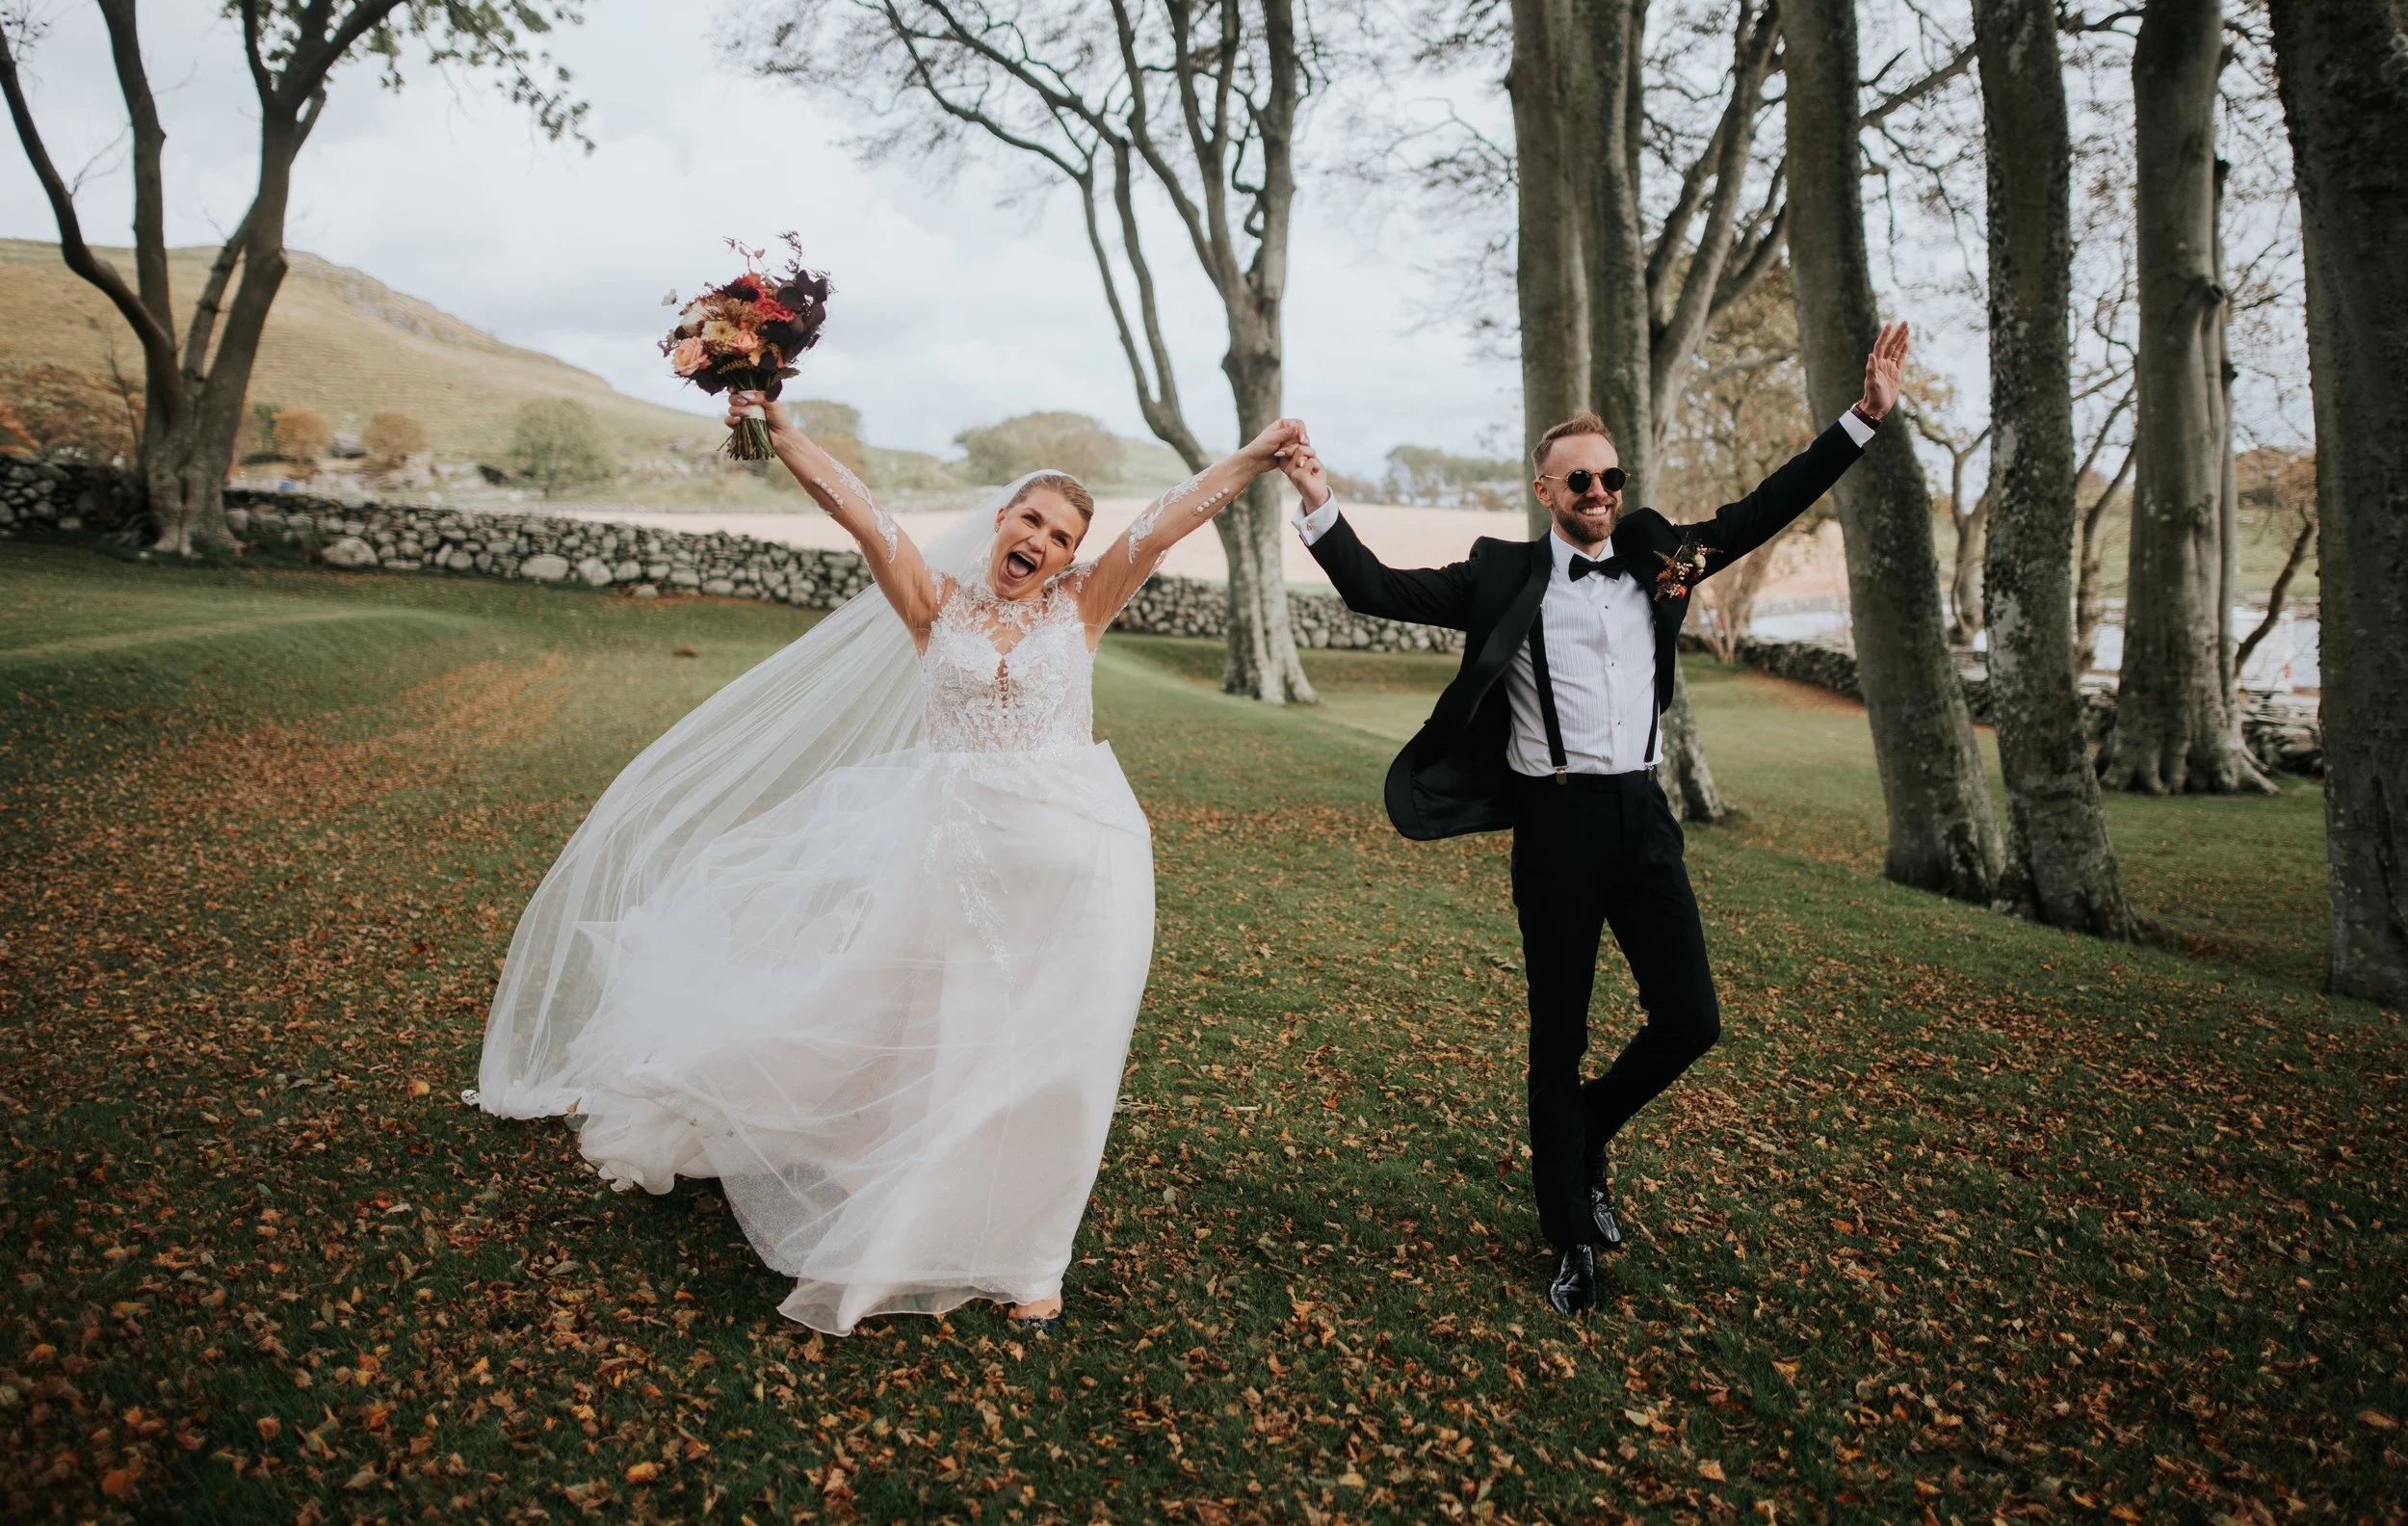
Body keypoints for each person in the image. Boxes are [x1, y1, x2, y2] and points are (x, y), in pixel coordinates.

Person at [469, 390, 1304, 1335]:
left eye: (1061, 533)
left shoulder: (1083, 607)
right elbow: (858, 509)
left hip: (1081, 875)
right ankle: (884, 1195)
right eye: (1030, 518)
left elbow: (1165, 523)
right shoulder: (931, 604)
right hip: (957, 867)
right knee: (945, 1046)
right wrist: (782, 435)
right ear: (1000, 522)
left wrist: (1252, 457)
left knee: (1061, 1065)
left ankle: (1034, 1259)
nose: (1040, 538)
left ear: (1072, 556)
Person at [1275, 323, 1911, 1316]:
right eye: (1579, 482)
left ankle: (1583, 1129)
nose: (1600, 494)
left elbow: (1758, 512)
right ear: (1545, 494)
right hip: (1558, 825)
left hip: (1643, 818)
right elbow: (1373, 590)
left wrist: (1861, 422)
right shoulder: (1499, 573)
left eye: (1610, 477)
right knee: (1556, 1032)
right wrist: (1318, 500)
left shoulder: (1658, 555)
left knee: (1691, 1018)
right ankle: (1570, 1233)